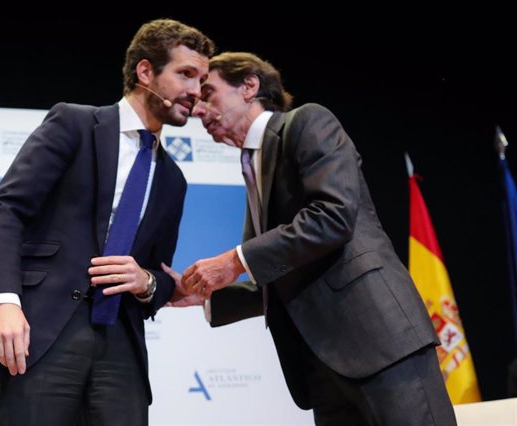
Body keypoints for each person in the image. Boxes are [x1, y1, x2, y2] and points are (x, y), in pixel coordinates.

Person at [165, 52, 457, 425]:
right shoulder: (252, 167)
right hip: (322, 366)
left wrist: (234, 261)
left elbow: (332, 217)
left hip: (380, 343)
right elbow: (284, 274)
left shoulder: (306, 122)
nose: (199, 111)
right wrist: (205, 297)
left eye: (209, 94)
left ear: (250, 86)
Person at [0, 19, 214, 425]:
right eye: (185, 74)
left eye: (201, 80)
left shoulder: (173, 179)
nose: (196, 92)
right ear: (145, 72)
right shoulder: (75, 123)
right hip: (41, 332)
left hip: (122, 348)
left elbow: (160, 273)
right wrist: (3, 301)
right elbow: (7, 209)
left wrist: (147, 282)